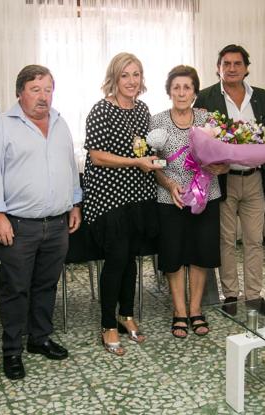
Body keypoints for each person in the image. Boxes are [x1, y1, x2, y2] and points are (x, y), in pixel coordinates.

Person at [0, 65, 82, 379]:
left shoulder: (61, 123)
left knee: (47, 285)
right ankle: (11, 350)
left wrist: (75, 203)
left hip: (57, 223)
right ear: (19, 93)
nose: (43, 97)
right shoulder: (2, 126)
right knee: (16, 289)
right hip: (19, 225)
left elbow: (71, 166)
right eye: (35, 90)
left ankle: (40, 338)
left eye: (48, 89)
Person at [83, 52, 162, 356]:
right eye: (125, 75)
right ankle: (107, 324)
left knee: (132, 259)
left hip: (139, 196)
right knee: (117, 259)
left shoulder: (143, 110)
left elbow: (144, 149)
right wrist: (135, 162)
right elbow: (96, 156)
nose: (131, 81)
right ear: (114, 79)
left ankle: (126, 314)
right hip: (109, 197)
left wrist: (153, 160)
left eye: (136, 74)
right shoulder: (101, 110)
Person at [194, 44, 265, 311]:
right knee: (226, 240)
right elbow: (196, 137)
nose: (231, 69)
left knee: (254, 240)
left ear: (246, 68)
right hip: (223, 180)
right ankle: (230, 294)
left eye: (237, 64)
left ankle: (253, 294)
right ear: (218, 68)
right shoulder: (206, 96)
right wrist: (213, 162)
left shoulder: (259, 96)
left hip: (254, 179)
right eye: (226, 64)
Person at [150, 65, 228, 338]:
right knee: (173, 255)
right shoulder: (157, 121)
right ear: (169, 91)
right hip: (170, 198)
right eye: (176, 87)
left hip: (206, 196)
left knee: (200, 253)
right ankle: (179, 311)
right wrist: (170, 184)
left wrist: (221, 168)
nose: (182, 92)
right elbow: (153, 163)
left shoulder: (208, 119)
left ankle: (196, 310)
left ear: (195, 91)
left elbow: (224, 156)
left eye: (187, 87)